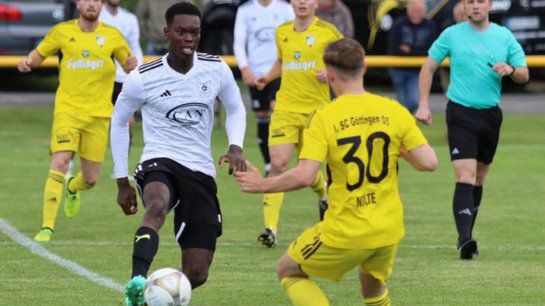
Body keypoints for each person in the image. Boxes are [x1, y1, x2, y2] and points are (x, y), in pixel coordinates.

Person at [236, 38, 438, 306]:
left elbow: (306, 175)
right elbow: (429, 162)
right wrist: (397, 148)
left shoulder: (324, 117)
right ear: (364, 67)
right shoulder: (394, 110)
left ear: (329, 75)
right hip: (388, 228)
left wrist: (261, 185)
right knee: (373, 288)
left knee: (288, 269)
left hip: (347, 231)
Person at [109, 3, 247, 305]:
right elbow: (119, 121)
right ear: (167, 32)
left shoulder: (216, 68)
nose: (189, 38)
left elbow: (236, 108)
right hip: (160, 159)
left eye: (195, 32)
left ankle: (155, 298)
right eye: (182, 32)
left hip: (200, 169)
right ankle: (138, 279)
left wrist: (235, 146)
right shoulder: (143, 77)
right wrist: (121, 180)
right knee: (156, 205)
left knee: (197, 273)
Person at [416, 0, 529, 260]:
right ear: (464, 6)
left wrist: (511, 70)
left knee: (479, 177)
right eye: (470, 1)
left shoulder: (504, 36)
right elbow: (428, 67)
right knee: (464, 175)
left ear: (489, 4)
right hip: (460, 112)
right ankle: (466, 239)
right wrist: (423, 104)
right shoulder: (452, 34)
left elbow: (524, 74)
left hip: (490, 114)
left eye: (480, 1)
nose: (475, 6)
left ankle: (464, 235)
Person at [17, 0, 136, 243]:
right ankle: (47, 227)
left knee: (90, 179)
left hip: (99, 115)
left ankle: (73, 187)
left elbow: (128, 64)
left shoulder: (112, 36)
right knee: (60, 162)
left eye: (96, 0)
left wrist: (132, 65)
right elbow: (39, 55)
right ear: (78, 4)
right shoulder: (62, 31)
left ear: (101, 5)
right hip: (67, 112)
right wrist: (28, 62)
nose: (91, 4)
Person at [254, 0, 343, 248]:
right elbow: (282, 63)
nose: (302, 2)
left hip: (317, 111)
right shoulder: (282, 31)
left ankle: (323, 193)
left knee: (309, 169)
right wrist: (267, 77)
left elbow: (347, 60)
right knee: (279, 164)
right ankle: (270, 228)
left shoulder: (328, 31)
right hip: (285, 109)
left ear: (316, 3)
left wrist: (330, 72)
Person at [233, 0, 294, 175]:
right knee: (261, 115)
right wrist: (244, 68)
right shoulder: (245, 11)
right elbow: (239, 42)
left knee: (278, 110)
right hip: (256, 72)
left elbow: (293, 39)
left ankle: (281, 162)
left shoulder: (285, 9)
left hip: (280, 71)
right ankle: (269, 165)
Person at [100, 0, 144, 142]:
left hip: (122, 78)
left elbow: (135, 47)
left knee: (127, 122)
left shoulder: (130, 19)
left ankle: (122, 161)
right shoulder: (97, 17)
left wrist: (138, 71)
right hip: (99, 78)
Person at [387, 0, 436, 114]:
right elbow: (393, 48)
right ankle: (406, 125)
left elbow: (432, 50)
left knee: (414, 101)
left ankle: (405, 122)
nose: (416, 12)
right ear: (408, 10)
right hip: (398, 69)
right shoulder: (399, 23)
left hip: (418, 70)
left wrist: (410, 50)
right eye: (413, 9)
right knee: (403, 103)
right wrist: (418, 51)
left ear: (424, 11)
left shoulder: (430, 26)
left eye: (419, 10)